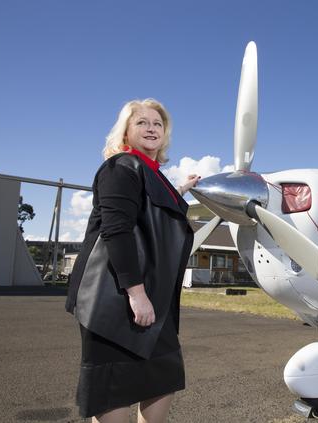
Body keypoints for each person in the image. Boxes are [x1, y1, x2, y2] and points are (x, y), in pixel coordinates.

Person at [65, 98, 200, 422]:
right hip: (115, 296)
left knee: (161, 377)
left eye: (157, 123)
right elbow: (117, 231)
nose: (151, 128)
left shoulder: (154, 176)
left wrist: (180, 190)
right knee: (113, 387)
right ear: (125, 130)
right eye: (142, 122)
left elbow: (151, 208)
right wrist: (136, 294)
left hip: (151, 296)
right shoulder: (120, 167)